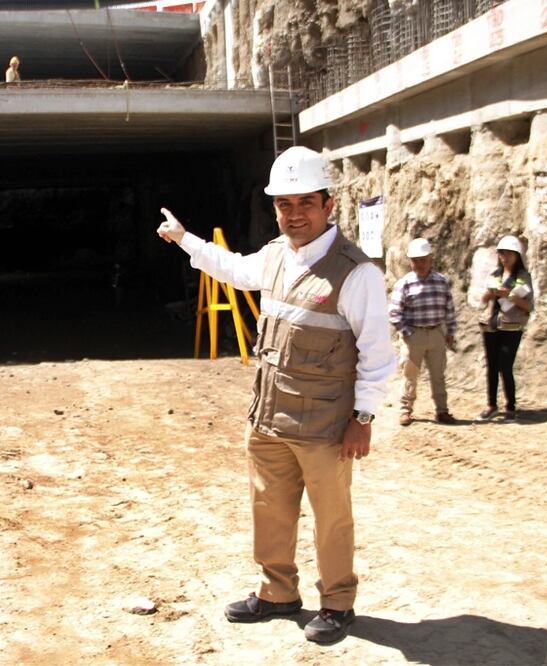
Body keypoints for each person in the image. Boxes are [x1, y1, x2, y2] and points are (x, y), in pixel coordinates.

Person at [156, 146, 396, 645]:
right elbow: (234, 270)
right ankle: (277, 593)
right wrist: (185, 240)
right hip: (268, 418)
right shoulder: (275, 255)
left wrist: (364, 418)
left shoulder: (356, 273)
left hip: (326, 427)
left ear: (330, 205)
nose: (294, 214)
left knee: (331, 519)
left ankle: (336, 603)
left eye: (305, 203)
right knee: (269, 510)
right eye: (284, 205)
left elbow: (377, 351)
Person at [388, 238, 458, 426]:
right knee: (410, 375)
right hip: (414, 335)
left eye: (422, 259)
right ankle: (405, 410)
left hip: (436, 333)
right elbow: (394, 312)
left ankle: (442, 411)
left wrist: (450, 332)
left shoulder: (441, 282)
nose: (419, 264)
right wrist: (407, 333)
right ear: (411, 262)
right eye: (415, 260)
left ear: (430, 259)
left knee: (438, 375)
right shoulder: (405, 284)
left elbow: (449, 309)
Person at [478, 235, 534, 421]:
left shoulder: (523, 277)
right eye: (502, 253)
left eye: (509, 253)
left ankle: (510, 405)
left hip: (512, 326)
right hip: (491, 324)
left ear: (517, 255)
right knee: (492, 367)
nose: (505, 257)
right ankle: (491, 404)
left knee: (505, 365)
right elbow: (483, 300)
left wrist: (509, 295)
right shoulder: (495, 275)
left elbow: (528, 306)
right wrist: (490, 293)